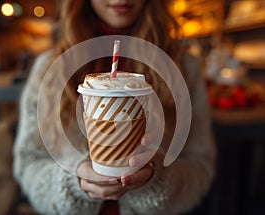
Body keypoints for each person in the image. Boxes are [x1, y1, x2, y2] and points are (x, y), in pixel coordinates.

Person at [13, 0, 216, 214]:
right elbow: (29, 164)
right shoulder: (49, 69)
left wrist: (156, 179)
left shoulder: (184, 68)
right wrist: (74, 185)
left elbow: (200, 168)